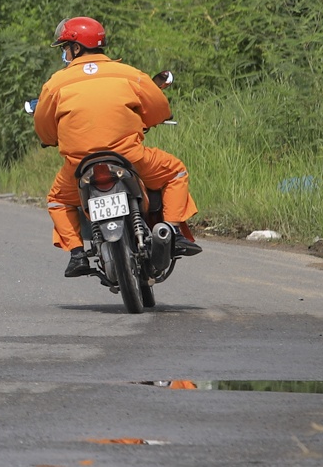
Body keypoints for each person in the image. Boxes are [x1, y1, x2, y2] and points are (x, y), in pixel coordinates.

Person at [36, 16, 202, 278]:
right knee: (175, 172)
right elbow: (159, 110)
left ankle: (78, 253)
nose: (65, 54)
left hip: (80, 166)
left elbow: (44, 129)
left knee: (58, 201)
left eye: (65, 48)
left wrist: (51, 137)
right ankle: (172, 231)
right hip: (129, 158)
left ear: (76, 48)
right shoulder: (130, 74)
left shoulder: (55, 83)